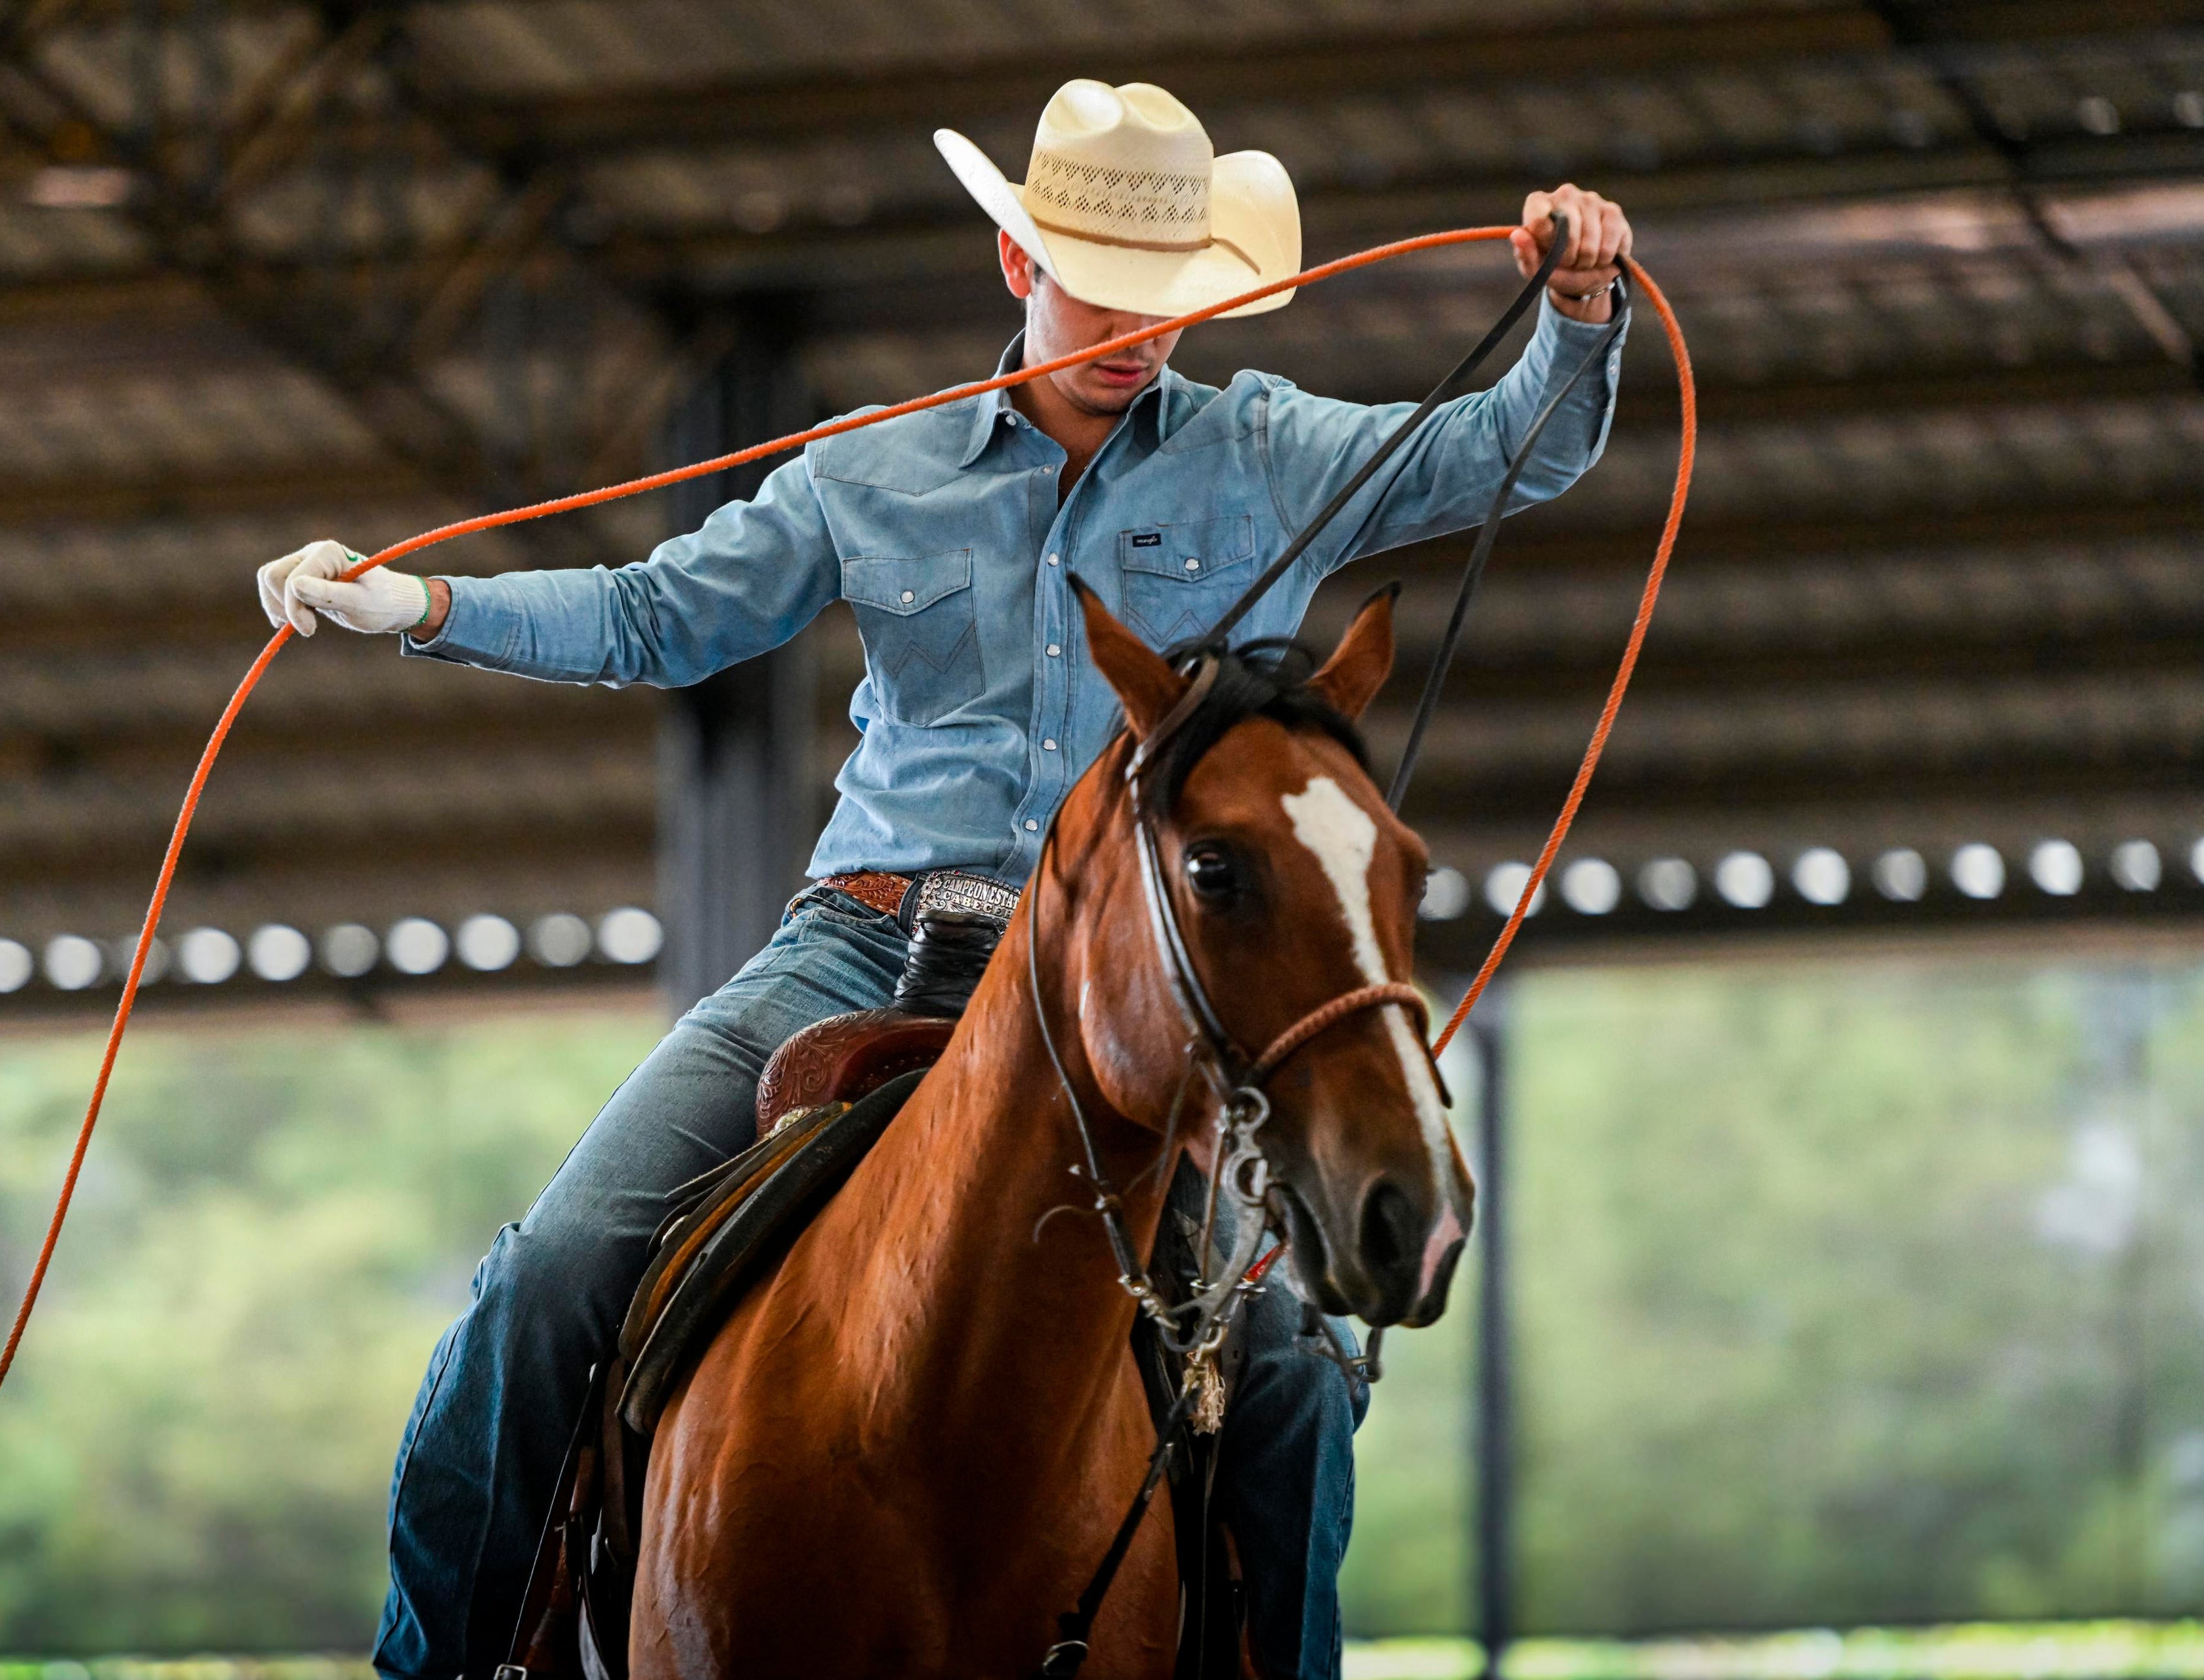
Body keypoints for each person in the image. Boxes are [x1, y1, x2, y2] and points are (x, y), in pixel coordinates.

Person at [259, 78, 1630, 1680]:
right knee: (548, 1278)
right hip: (856, 944)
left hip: (1108, 984)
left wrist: (1579, 315)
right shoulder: (873, 468)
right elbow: (655, 617)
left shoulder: (1266, 444)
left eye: (1168, 303)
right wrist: (421, 608)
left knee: (1287, 1370)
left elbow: (1499, 453)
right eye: (1098, 295)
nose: (1135, 335)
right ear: (1014, 264)